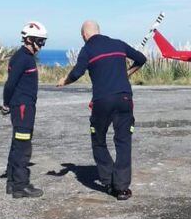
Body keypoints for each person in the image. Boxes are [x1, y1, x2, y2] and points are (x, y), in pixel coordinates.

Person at [57, 20, 147, 200]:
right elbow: (142, 59)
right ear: (99, 31)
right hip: (124, 98)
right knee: (123, 142)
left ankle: (108, 181)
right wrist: (127, 73)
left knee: (98, 140)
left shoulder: (87, 49)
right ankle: (122, 188)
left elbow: (77, 73)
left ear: (84, 35)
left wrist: (64, 81)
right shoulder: (118, 43)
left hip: (102, 101)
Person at [0, 21, 47, 199]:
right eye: (40, 42)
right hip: (22, 108)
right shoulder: (23, 58)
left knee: (16, 144)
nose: (41, 46)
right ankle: (21, 185)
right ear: (29, 40)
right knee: (23, 146)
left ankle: (12, 183)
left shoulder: (24, 57)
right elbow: (10, 83)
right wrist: (6, 103)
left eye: (43, 42)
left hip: (23, 106)